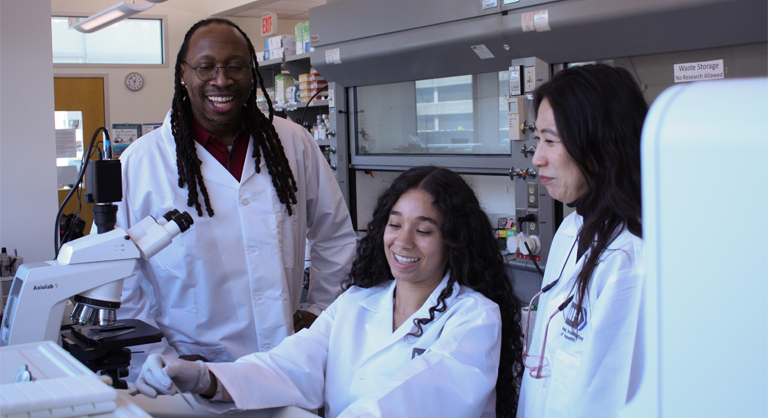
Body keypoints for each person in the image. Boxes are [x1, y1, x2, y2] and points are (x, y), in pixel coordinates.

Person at [131, 166, 526, 418]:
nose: (403, 242)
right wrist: (204, 377)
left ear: (454, 241)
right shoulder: (358, 303)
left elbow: (416, 399)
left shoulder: (474, 316)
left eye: (424, 230)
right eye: (394, 225)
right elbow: (290, 365)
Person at [114, 17, 357, 375]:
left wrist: (321, 312)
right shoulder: (141, 162)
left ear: (252, 72)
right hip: (188, 367)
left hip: (286, 360)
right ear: (183, 73)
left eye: (235, 67)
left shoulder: (292, 143)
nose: (222, 80)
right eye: (205, 67)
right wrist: (158, 357)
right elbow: (119, 275)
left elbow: (335, 235)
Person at [516, 64, 647, 418]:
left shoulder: (630, 260)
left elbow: (610, 399)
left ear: (602, 146)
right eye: (537, 140)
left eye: (551, 140)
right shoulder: (572, 228)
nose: (537, 157)